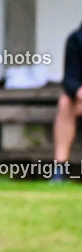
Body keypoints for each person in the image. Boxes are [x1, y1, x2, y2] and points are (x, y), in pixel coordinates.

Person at [53, 21, 82, 180]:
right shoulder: (77, 39)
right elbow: (70, 78)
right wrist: (79, 92)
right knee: (65, 102)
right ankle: (60, 167)